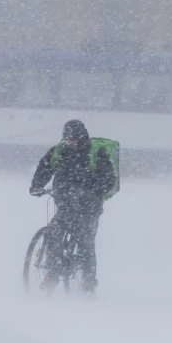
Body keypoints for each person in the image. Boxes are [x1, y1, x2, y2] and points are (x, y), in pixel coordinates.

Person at [29, 119, 116, 293]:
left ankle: (88, 283)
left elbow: (108, 179)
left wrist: (89, 193)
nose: (71, 142)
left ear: (82, 137)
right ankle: (52, 274)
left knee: (85, 243)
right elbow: (44, 168)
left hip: (89, 209)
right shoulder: (59, 152)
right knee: (53, 233)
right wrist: (36, 186)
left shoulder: (96, 153)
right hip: (65, 205)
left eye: (74, 139)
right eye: (68, 139)